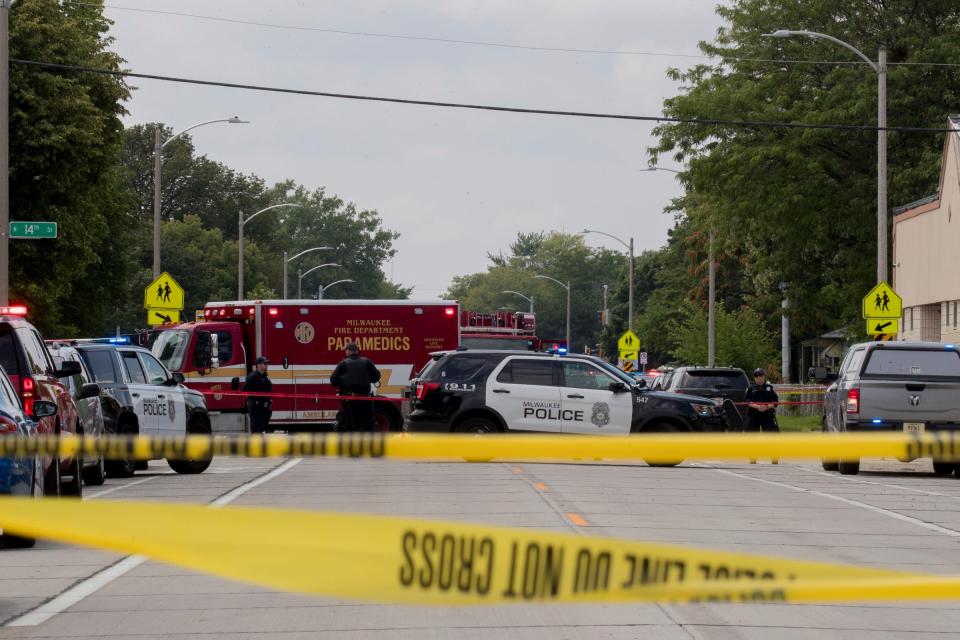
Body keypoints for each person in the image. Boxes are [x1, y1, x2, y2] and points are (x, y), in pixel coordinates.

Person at [331, 342, 381, 432]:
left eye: (345, 350)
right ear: (356, 351)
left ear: (348, 350)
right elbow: (377, 376)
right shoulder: (367, 361)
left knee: (351, 425)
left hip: (350, 402)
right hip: (366, 400)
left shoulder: (343, 364)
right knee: (368, 425)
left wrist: (342, 382)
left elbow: (333, 381)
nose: (345, 352)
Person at [744, 367, 780, 464]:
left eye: (761, 376)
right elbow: (747, 401)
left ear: (764, 377)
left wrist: (767, 406)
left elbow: (775, 401)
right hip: (754, 415)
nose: (759, 378)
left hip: (767, 415)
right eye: (757, 376)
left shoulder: (769, 388)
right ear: (754, 378)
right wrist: (757, 406)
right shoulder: (751, 388)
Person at [243, 356, 273, 434]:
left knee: (261, 429)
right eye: (265, 363)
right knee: (256, 431)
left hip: (265, 408)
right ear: (258, 365)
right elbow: (244, 391)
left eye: (267, 363)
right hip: (256, 408)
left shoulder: (265, 375)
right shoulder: (252, 377)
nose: (267, 365)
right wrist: (252, 401)